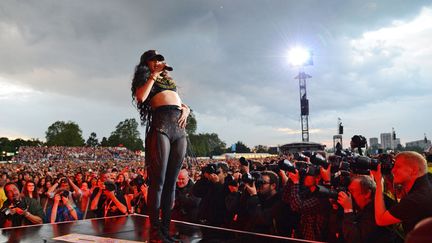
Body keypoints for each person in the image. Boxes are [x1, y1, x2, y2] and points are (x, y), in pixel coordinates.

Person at [131, 50, 190, 243]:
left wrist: (187, 111)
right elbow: (141, 97)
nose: (159, 62)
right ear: (147, 63)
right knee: (159, 181)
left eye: (160, 59)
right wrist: (154, 75)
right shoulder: (147, 78)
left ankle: (165, 230)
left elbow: (179, 102)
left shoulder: (170, 82)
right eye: (155, 60)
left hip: (178, 128)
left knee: (171, 182)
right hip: (161, 124)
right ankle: (156, 231)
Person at [372, 151, 432, 236]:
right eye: (393, 166)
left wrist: (379, 182)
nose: (392, 170)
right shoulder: (428, 179)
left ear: (414, 170)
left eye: (398, 167)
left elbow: (381, 220)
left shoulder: (416, 199)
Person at [337, 175, 397, 243]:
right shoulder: (359, 208)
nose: (349, 196)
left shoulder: (376, 211)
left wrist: (348, 210)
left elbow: (355, 239)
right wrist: (336, 208)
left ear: (367, 193)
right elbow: (339, 233)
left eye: (352, 191)